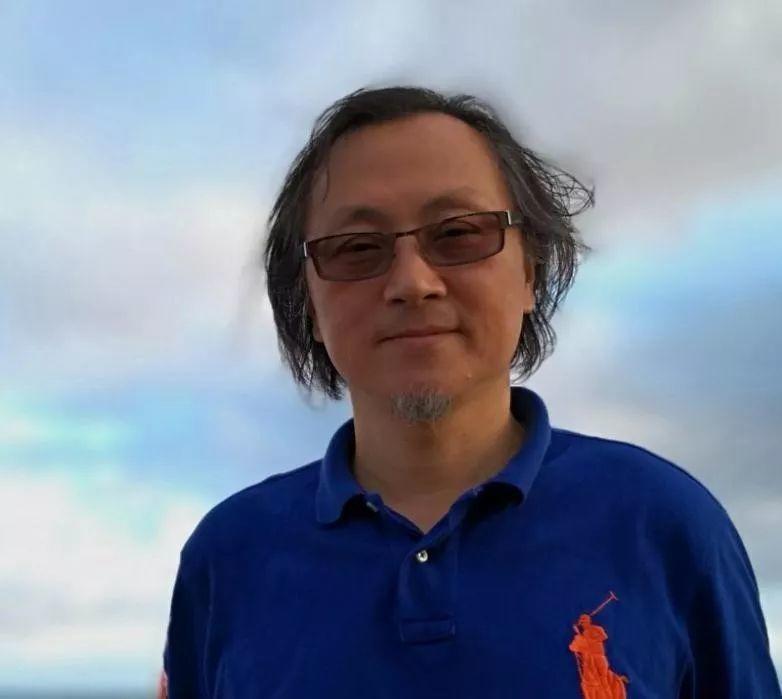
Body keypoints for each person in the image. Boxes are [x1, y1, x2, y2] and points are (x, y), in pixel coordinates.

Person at [162, 86, 781, 697]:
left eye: (458, 234)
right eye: (356, 249)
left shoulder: (666, 524)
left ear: (530, 272)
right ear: (309, 302)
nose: (412, 282)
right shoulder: (228, 558)